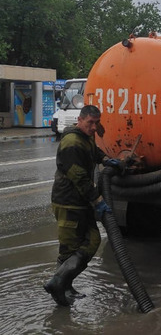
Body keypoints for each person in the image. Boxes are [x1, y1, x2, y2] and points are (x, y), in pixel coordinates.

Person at [44, 105, 114, 306]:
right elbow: (80, 178)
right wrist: (98, 201)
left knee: (92, 240)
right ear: (80, 120)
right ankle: (59, 288)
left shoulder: (85, 137)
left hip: (80, 201)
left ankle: (63, 283)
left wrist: (107, 160)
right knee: (69, 249)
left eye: (96, 122)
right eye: (90, 123)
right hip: (68, 202)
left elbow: (93, 152)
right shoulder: (72, 142)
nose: (94, 127)